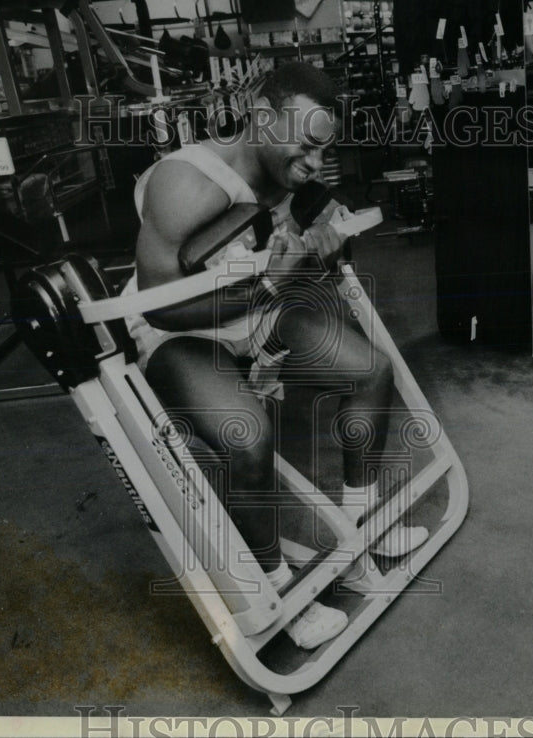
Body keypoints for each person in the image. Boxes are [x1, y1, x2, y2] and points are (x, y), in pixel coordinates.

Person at [125, 62, 428, 650]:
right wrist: (271, 285)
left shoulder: (291, 185)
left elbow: (290, 266)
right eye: (309, 145)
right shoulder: (186, 183)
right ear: (263, 118)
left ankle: (361, 524)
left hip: (257, 313)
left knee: (371, 370)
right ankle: (274, 591)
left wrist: (326, 251)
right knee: (247, 435)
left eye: (326, 150)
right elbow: (160, 306)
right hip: (179, 332)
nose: (316, 163)